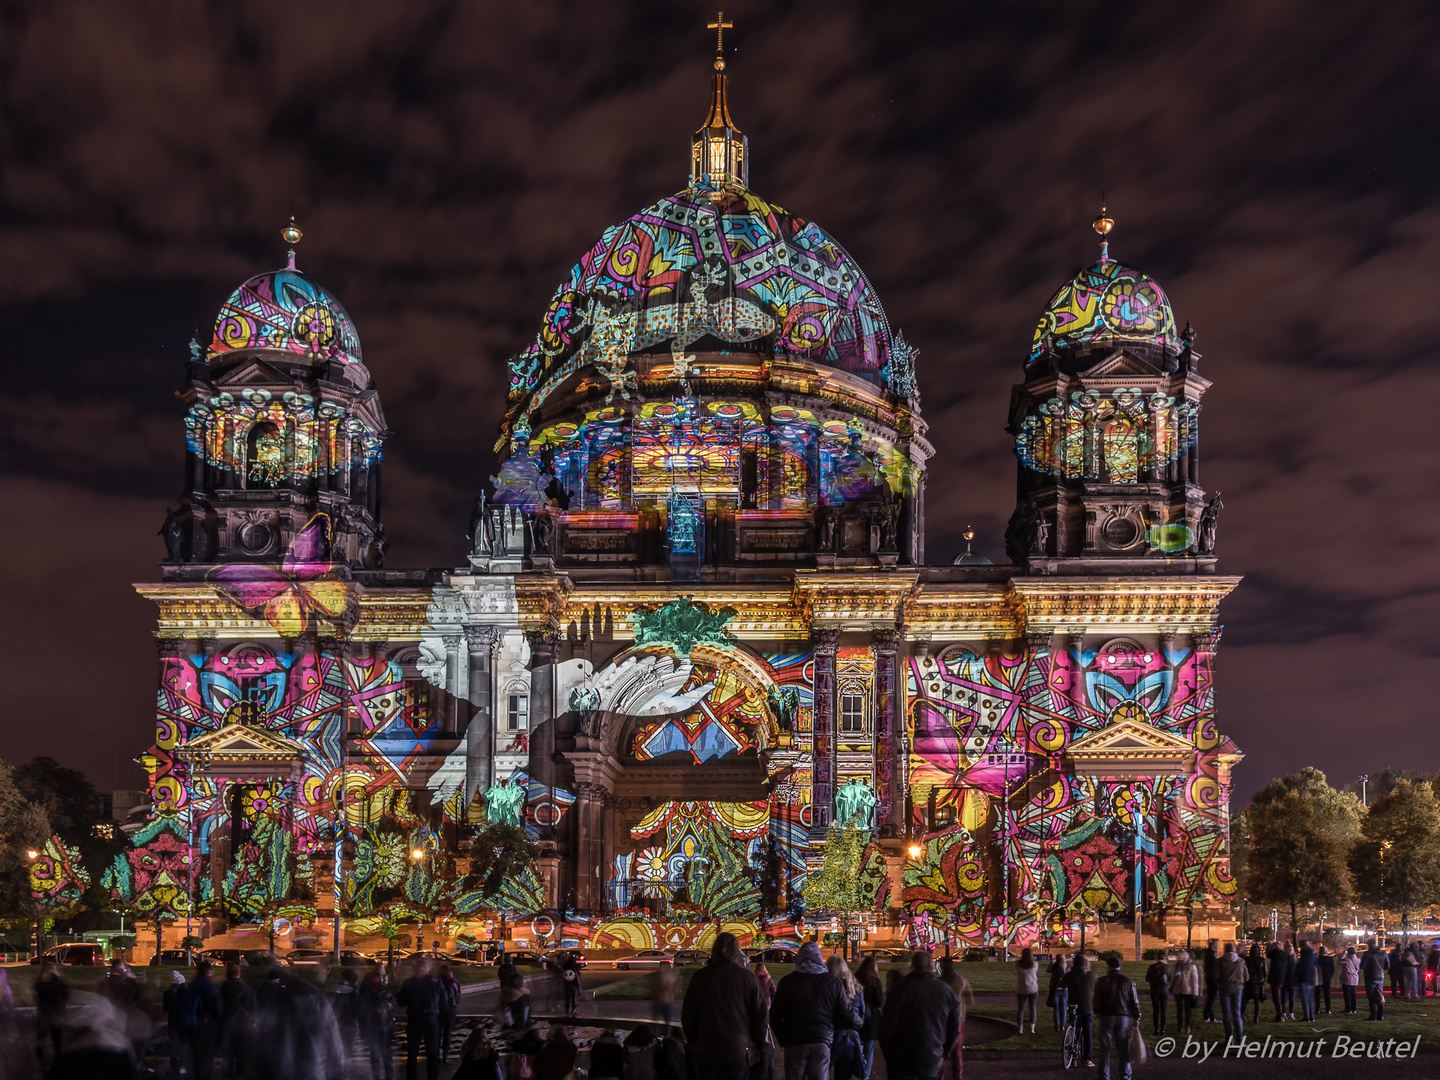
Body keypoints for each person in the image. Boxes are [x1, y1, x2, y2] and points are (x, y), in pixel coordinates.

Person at [679, 931, 768, 1080]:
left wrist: (696, 1041)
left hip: (707, 1051)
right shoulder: (747, 978)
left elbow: (688, 1015)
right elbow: (759, 1016)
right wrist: (758, 1044)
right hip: (738, 1051)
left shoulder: (700, 977)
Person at [770, 941, 860, 1080]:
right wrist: (860, 1023)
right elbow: (845, 1012)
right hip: (821, 1041)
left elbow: (775, 1014)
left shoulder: (787, 982)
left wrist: (783, 1038)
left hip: (795, 1041)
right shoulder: (832, 983)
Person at [878, 951, 961, 1080]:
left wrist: (890, 1056)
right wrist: (943, 1054)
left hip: (903, 1059)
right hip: (932, 1059)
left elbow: (887, 1028)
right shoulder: (947, 992)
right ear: (933, 967)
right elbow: (954, 1029)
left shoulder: (900, 990)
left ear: (913, 966)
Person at [1092, 955, 1141, 1080]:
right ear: (1120, 966)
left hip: (1106, 1016)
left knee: (1105, 1050)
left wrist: (1097, 1011)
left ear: (1108, 967)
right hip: (1123, 1017)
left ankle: (1104, 1075)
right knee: (1124, 1049)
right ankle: (1125, 1076)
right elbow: (1134, 1001)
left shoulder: (1102, 981)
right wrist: (1137, 1017)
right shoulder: (1128, 981)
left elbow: (1096, 1000)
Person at [397, 954, 444, 1080]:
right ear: (427, 968)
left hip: (414, 1020)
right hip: (431, 1020)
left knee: (412, 1053)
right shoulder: (437, 982)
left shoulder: (408, 983)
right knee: (432, 1053)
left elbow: (401, 1002)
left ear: (414, 969)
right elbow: (444, 1001)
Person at [827, 955, 865, 1080]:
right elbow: (862, 1013)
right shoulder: (856, 989)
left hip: (830, 1037)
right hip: (849, 1038)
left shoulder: (827, 987)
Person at [936, 956, 973, 1080]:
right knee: (956, 1051)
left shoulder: (939, 982)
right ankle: (957, 1076)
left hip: (943, 1019)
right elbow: (969, 998)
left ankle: (940, 1075)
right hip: (957, 1019)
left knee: (941, 1050)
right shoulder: (960, 981)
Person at [358, 964, 397, 1080]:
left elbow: (362, 1012)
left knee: (374, 1053)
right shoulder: (387, 993)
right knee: (386, 1052)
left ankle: (376, 1076)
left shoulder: (365, 991)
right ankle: (389, 1076)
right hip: (385, 1027)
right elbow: (392, 1009)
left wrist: (363, 1029)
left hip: (372, 1027)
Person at [220, 961, 256, 1078]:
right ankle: (241, 1075)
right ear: (239, 974)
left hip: (227, 1026)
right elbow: (254, 1008)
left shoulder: (222, 989)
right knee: (243, 1055)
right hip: (244, 1026)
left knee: (228, 1055)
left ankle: (227, 1075)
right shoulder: (248, 989)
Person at [35, 958, 71, 1072]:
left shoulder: (40, 985)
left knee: (42, 1038)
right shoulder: (60, 984)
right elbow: (66, 998)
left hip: (44, 1015)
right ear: (55, 971)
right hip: (57, 1015)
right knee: (57, 1040)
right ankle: (58, 1062)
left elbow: (38, 999)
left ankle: (40, 1061)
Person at [855, 956, 884, 1080]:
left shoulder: (856, 980)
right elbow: (879, 1002)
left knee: (857, 1046)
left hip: (858, 1016)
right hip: (871, 1019)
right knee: (869, 1050)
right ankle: (865, 1075)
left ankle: (857, 1069)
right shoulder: (875, 982)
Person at [1064, 953, 1096, 1068]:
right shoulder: (1090, 975)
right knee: (1087, 1032)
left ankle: (1073, 1059)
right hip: (1086, 1006)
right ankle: (1088, 1058)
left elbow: (1062, 983)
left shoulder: (1069, 975)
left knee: (1074, 1030)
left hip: (1073, 1005)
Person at [161, 969, 190, 1078]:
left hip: (172, 1022)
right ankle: (182, 1065)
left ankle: (174, 1065)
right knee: (182, 1045)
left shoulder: (167, 993)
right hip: (183, 1022)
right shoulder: (186, 993)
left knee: (173, 1045)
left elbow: (165, 1009)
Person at [1217, 942, 1246, 1042]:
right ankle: (1240, 1039)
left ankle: (1229, 1039)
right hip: (1238, 988)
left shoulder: (1220, 961)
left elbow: (1216, 976)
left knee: (1226, 1015)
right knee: (1237, 1014)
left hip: (1225, 988)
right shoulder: (1240, 961)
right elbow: (1246, 976)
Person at [1171, 950, 1200, 1034]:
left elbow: (1194, 980)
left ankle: (1188, 1026)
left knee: (1187, 1010)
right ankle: (1180, 1027)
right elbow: (1172, 977)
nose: (1178, 959)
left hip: (1188, 990)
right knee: (1179, 1010)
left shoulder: (1191, 967)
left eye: (1179, 957)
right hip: (1178, 990)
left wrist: (1195, 992)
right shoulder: (1176, 966)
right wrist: (1176, 978)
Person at [438, 963, 462, 1061]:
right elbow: (457, 996)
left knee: (437, 1033)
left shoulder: (437, 982)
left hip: (439, 1010)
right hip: (450, 1010)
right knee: (447, 1033)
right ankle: (446, 1054)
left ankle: (436, 1053)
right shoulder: (454, 982)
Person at [1013, 947, 1038, 1034]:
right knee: (1032, 1008)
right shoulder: (1035, 964)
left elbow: (1015, 973)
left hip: (1021, 989)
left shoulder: (1018, 965)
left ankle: (1020, 1028)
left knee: (1021, 1009)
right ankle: (1032, 1028)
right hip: (1033, 988)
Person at [1361, 941, 1389, 1021]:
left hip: (1370, 977)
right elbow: (1387, 965)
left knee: (1371, 998)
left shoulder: (1367, 954)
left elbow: (1363, 966)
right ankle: (1381, 1015)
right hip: (1380, 977)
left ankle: (1373, 1015)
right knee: (1380, 996)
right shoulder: (1383, 953)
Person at [1144, 954, 1170, 1036]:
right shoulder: (1167, 967)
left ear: (1157, 958)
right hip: (1165, 990)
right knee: (1164, 1010)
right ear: (1164, 958)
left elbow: (1147, 979)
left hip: (1155, 990)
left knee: (1156, 1010)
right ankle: (1163, 1030)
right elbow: (1171, 978)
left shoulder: (1152, 967)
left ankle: (1156, 1030)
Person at [1242, 944, 1266, 1024]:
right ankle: (1256, 1017)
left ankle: (1242, 1015)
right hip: (1259, 982)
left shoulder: (1247, 960)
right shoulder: (1262, 960)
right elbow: (1265, 972)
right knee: (1257, 1000)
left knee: (1245, 1000)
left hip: (1249, 982)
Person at [1265, 940, 1288, 1021]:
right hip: (1282, 978)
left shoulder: (1274, 954)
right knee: (1280, 997)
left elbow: (1267, 954)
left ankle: (1280, 1015)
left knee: (1276, 998)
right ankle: (1282, 1013)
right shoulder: (1284, 955)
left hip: (1275, 978)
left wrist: (1268, 946)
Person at [1294, 943, 1317, 1022]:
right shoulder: (1312, 958)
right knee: (1310, 999)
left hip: (1303, 979)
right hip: (1310, 979)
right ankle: (1312, 1016)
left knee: (1305, 999)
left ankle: (1307, 1016)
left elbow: (1299, 969)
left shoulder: (1302, 960)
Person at [653, 959, 677, 1034]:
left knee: (657, 1022)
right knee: (667, 1022)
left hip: (660, 1000)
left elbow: (659, 987)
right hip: (668, 1000)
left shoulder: (659, 975)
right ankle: (667, 1037)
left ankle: (656, 1038)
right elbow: (674, 987)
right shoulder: (671, 975)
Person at [1047, 953, 1069, 1032]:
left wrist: (1052, 962)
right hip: (1065, 988)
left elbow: (1048, 970)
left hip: (1056, 989)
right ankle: (1062, 1025)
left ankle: (1057, 1026)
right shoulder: (1067, 967)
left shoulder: (1055, 967)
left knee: (1056, 1009)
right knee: (1063, 1008)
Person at [560, 952, 583, 1018]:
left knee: (567, 997)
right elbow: (578, 973)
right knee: (573, 997)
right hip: (574, 984)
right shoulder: (575, 967)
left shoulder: (566, 967)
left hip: (567, 984)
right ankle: (573, 1009)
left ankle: (567, 1009)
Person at [1202, 938, 1219, 1024]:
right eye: (1217, 944)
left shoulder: (1209, 954)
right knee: (1211, 999)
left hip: (1209, 978)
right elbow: (1213, 969)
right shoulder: (1211, 955)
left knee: (1210, 998)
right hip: (1212, 979)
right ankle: (1207, 1015)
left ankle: (1211, 1016)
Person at [1339, 945, 1361, 1015]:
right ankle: (1354, 1008)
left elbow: (1339, 962)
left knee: (1347, 994)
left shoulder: (1345, 960)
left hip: (1346, 978)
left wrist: (1343, 955)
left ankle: (1348, 1008)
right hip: (1355, 978)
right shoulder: (1358, 960)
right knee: (1353, 994)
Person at [1280, 941, 1298, 1020]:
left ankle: (1291, 1013)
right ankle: (1284, 1013)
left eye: (1291, 949)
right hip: (1286, 981)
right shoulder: (1285, 959)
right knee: (1284, 998)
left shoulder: (1295, 959)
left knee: (1292, 999)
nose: (1290, 951)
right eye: (1289, 949)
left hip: (1293, 981)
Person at [1317, 945, 1335, 1015]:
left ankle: (1317, 1009)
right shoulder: (1329, 959)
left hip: (1318, 977)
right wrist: (1330, 976)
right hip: (1327, 978)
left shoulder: (1318, 959)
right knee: (1327, 994)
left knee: (1317, 994)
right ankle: (1328, 1009)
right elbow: (1332, 969)